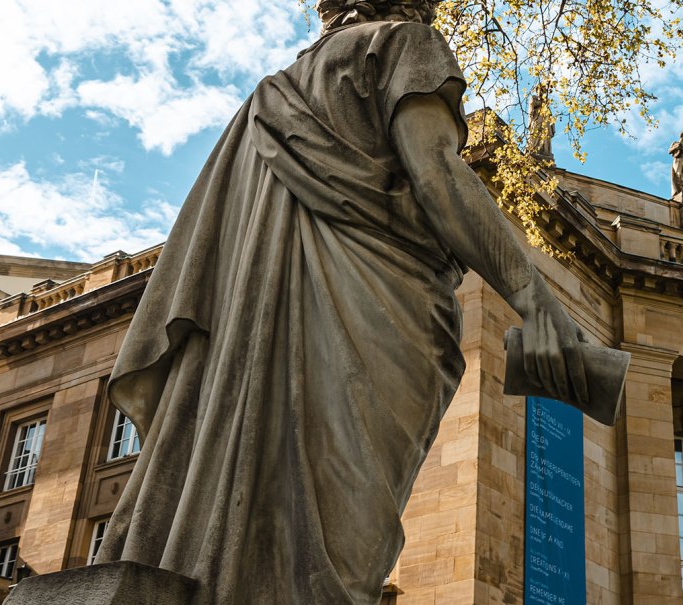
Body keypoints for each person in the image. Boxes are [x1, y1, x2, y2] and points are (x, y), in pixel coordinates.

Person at [94, 1, 592, 602]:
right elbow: (437, 173)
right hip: (378, 318)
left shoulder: (267, 98)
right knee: (339, 545)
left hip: (261, 339)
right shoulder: (406, 44)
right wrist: (534, 298)